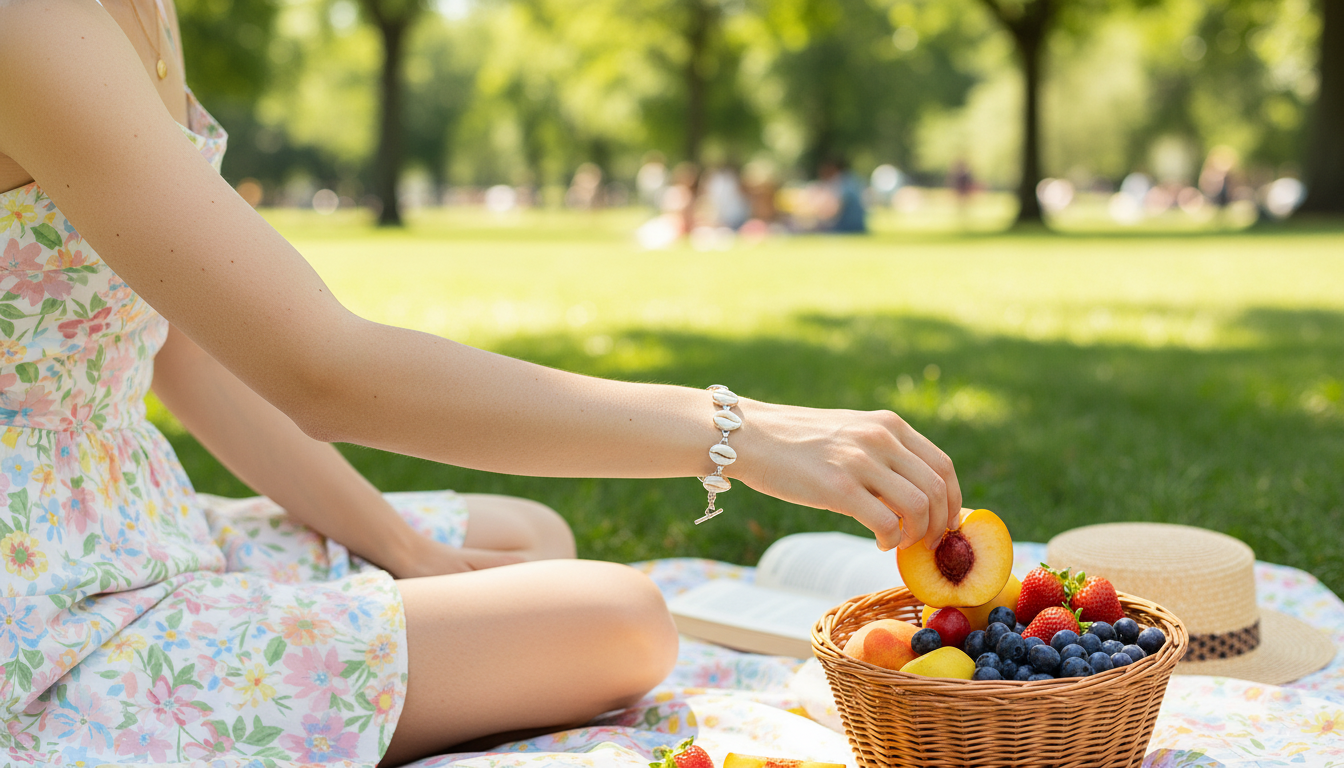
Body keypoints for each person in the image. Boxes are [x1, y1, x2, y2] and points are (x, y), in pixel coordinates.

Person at [0, 1, 963, 765]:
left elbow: (191, 353)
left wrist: (401, 550)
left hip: (124, 515)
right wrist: (737, 432)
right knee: (617, 620)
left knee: (528, 539)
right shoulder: (32, 26)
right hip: (37, 597)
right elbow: (320, 370)